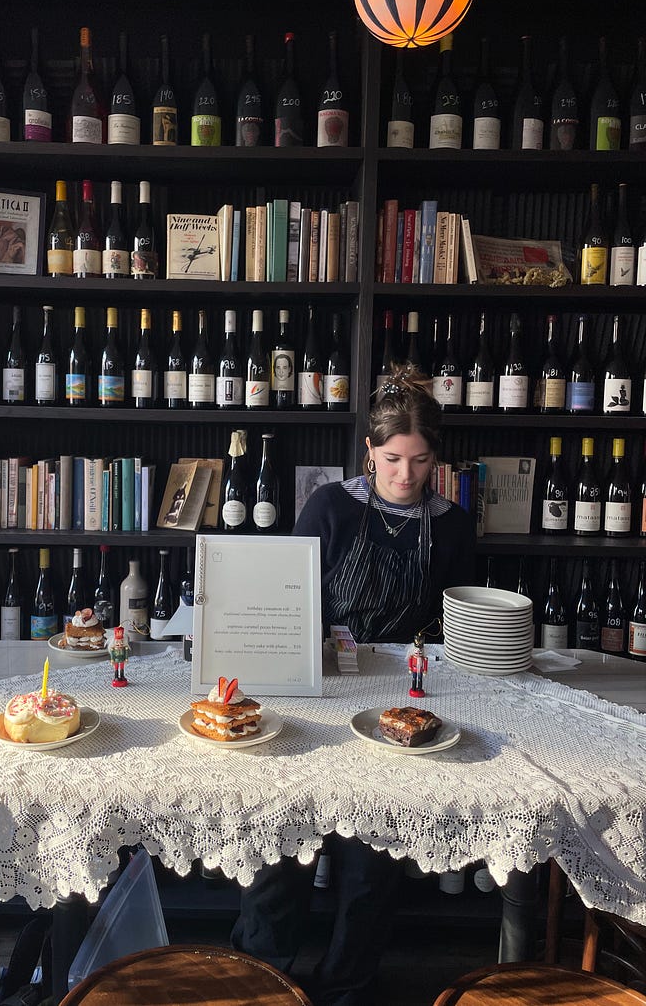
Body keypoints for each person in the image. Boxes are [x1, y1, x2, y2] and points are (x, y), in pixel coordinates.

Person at [231, 365, 476, 1006]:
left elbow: (459, 625)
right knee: (282, 845)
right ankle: (261, 981)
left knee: (372, 861)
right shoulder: (329, 506)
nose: (405, 475)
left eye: (420, 461)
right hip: (319, 686)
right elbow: (288, 600)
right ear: (370, 450)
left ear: (435, 459)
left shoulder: (453, 524)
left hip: (402, 698)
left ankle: (347, 986)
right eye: (392, 459)